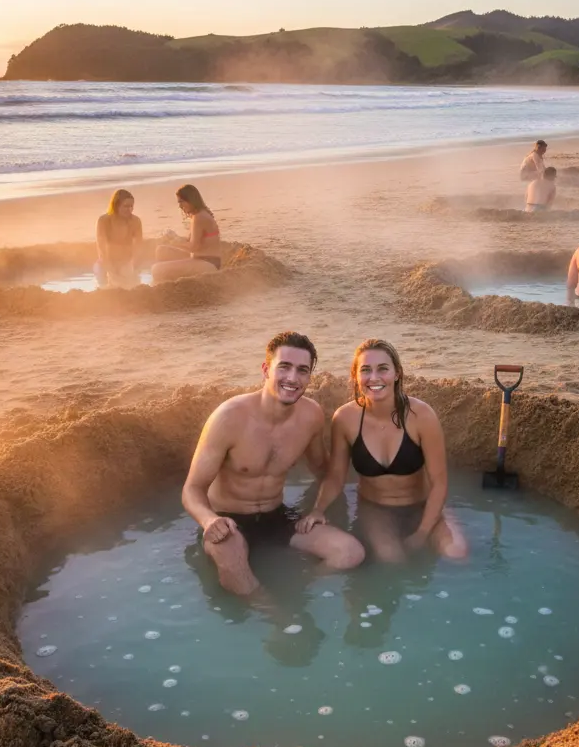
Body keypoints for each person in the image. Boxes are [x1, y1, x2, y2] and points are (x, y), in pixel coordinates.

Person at [181, 332, 365, 596]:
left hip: (277, 516)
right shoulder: (229, 418)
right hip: (229, 524)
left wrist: (320, 509)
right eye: (284, 367)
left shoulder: (310, 416)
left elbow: (324, 471)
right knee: (235, 572)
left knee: (350, 553)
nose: (293, 378)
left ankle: (297, 588)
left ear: (309, 377)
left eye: (302, 370)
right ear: (266, 370)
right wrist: (210, 520)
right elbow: (192, 489)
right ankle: (274, 614)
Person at [302, 339, 467, 563]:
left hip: (424, 505)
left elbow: (439, 483)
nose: (374, 378)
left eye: (383, 369)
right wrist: (318, 510)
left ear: (397, 373)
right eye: (366, 370)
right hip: (376, 509)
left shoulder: (422, 416)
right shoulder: (345, 419)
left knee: (457, 554)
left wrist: (422, 533)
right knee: (392, 561)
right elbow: (335, 476)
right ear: (356, 376)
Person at [150, 184, 224, 283]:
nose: (180, 206)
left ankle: (166, 286)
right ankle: (174, 276)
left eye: (181, 201)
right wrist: (174, 238)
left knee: (156, 270)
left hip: (207, 264)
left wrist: (174, 242)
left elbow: (193, 247)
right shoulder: (199, 214)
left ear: (191, 200)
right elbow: (194, 241)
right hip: (201, 258)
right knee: (161, 250)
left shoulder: (199, 218)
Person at [95, 189, 143, 288]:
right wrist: (109, 267)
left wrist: (133, 264)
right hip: (107, 261)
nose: (129, 209)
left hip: (127, 261)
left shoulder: (135, 221)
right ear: (116, 205)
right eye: (125, 206)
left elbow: (139, 245)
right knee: (104, 283)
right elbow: (101, 246)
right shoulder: (104, 220)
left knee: (131, 284)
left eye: (131, 206)